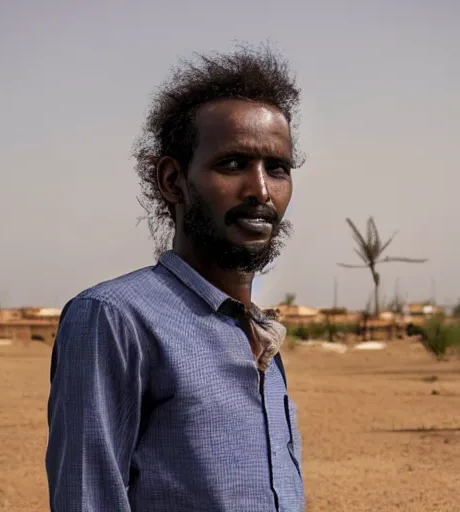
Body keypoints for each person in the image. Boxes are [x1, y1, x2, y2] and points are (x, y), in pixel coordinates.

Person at [46, 44, 305, 512]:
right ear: (173, 181)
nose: (261, 190)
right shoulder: (114, 319)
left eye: (278, 168)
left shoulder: (259, 333)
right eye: (232, 164)